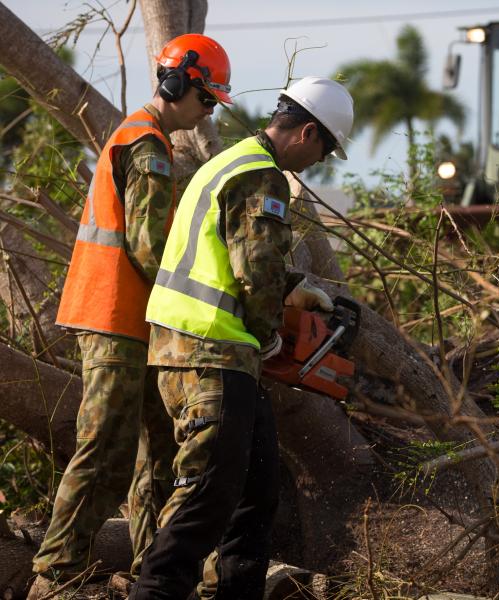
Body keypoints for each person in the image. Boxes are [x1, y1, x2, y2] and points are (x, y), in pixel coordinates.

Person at [128, 76, 354, 600]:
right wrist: (270, 334)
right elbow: (254, 269)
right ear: (307, 133)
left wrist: (297, 290)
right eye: (325, 148)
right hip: (211, 352)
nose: (320, 161)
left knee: (255, 490)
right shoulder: (262, 177)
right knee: (204, 497)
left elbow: (228, 256)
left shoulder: (226, 163)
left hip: (199, 351)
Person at [26, 34, 233, 600]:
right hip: (115, 316)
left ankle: (154, 571)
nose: (207, 110)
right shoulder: (147, 146)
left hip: (133, 320)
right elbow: (147, 247)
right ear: (177, 84)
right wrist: (202, 297)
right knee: (106, 451)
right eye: (207, 99)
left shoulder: (144, 137)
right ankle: (56, 573)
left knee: (159, 452)